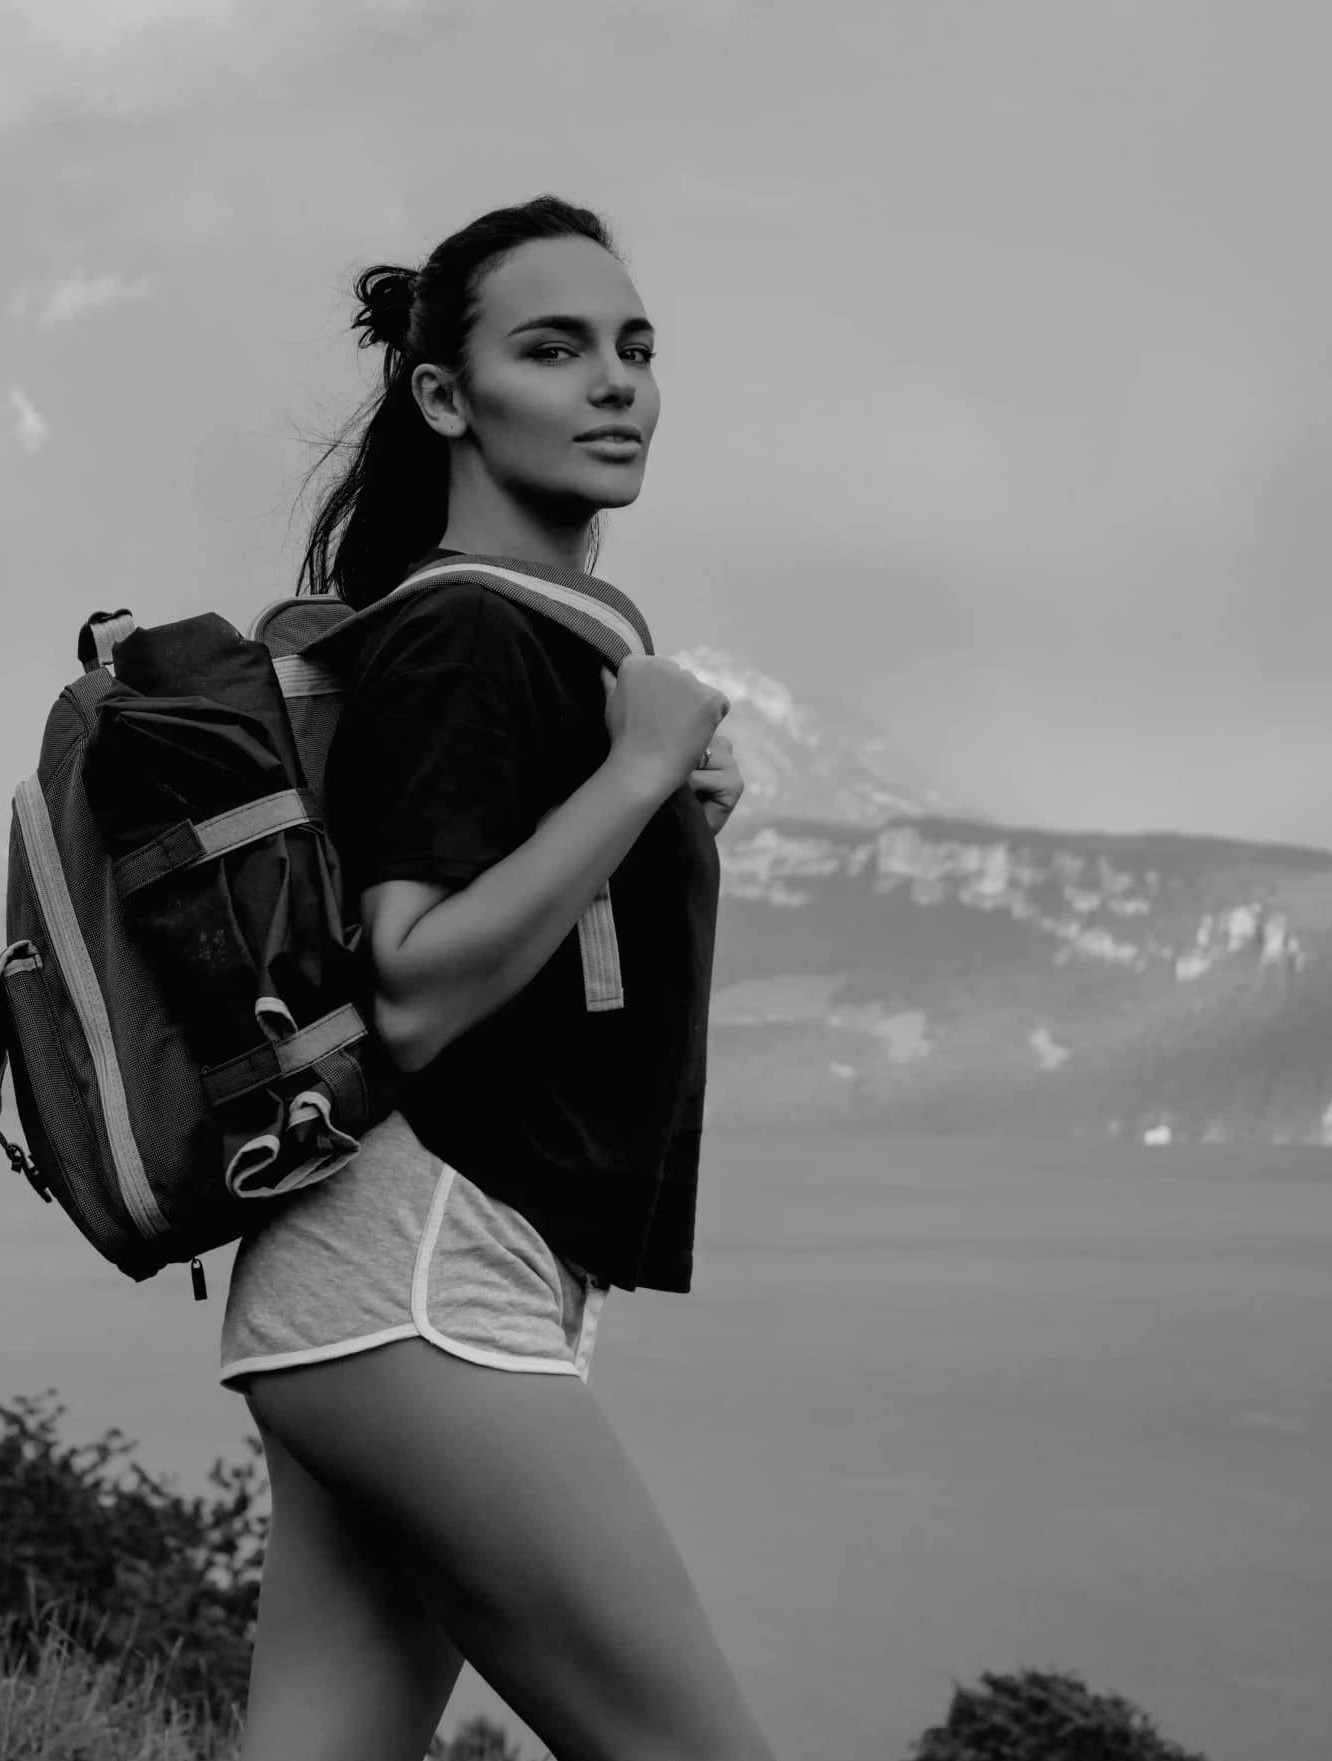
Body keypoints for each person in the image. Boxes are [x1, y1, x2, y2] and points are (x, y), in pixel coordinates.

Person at [211, 194, 775, 1761]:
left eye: (635, 348)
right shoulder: (465, 628)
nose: (616, 383)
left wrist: (642, 803)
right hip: (424, 1281)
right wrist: (635, 774)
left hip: (378, 1294)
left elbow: (529, 946)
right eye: (555, 348)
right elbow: (412, 984)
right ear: (446, 397)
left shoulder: (540, 643)